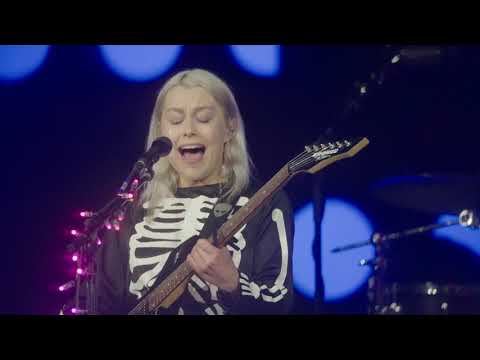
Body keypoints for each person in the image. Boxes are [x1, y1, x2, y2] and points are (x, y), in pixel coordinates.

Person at [95, 68, 294, 315]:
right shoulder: (132, 209)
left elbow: (279, 302)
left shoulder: (262, 202)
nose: (188, 130)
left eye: (204, 118)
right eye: (176, 120)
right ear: (160, 130)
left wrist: (233, 283)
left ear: (230, 128)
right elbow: (103, 303)